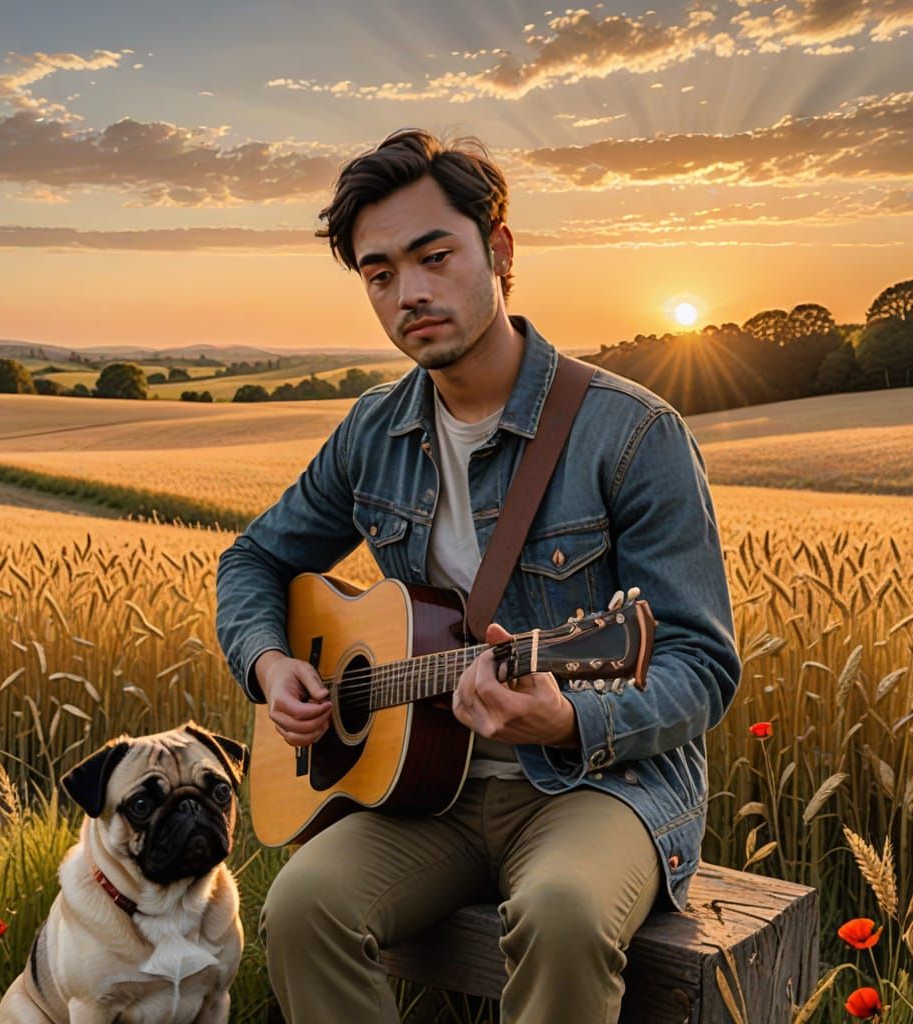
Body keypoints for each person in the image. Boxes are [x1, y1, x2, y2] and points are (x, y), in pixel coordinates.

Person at [216, 128, 740, 1023]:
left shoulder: (632, 435)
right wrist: (270, 666)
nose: (408, 292)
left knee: (564, 913)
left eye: (434, 255)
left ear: (499, 252)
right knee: (301, 908)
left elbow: (699, 661)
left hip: (595, 788)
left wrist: (570, 714)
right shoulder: (372, 433)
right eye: (379, 274)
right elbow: (255, 560)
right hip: (429, 793)